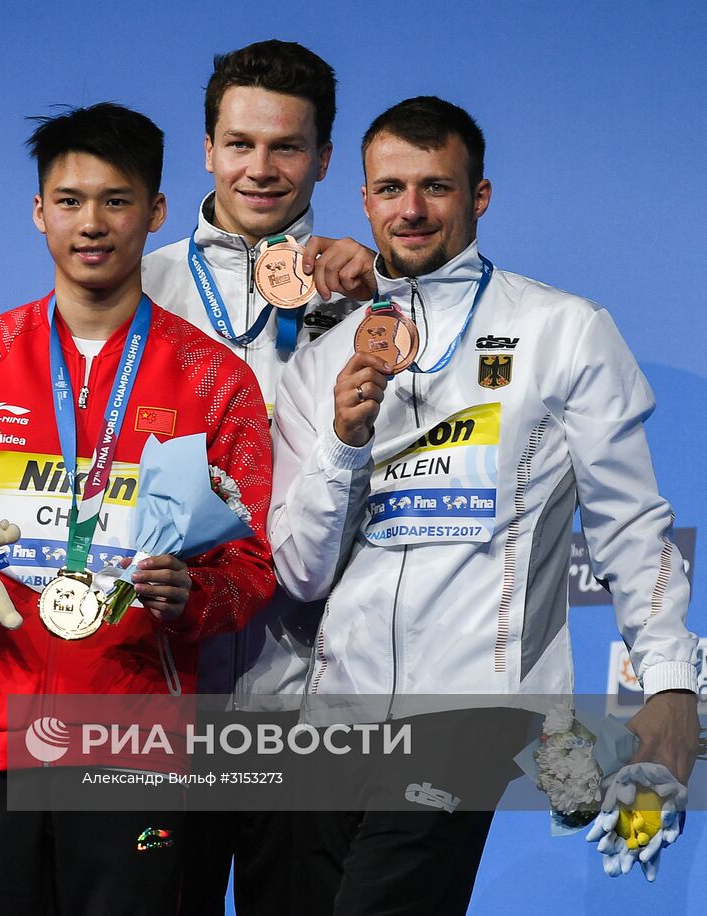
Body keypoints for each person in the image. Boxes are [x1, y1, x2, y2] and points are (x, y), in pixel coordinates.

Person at [270, 95, 701, 913]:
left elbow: (630, 525)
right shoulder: (323, 357)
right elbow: (300, 570)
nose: (412, 209)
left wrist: (672, 685)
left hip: (473, 703)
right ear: (363, 200)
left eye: (436, 186)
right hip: (333, 712)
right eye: (391, 188)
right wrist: (343, 443)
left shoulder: (563, 329)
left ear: (480, 196)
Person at [0, 102, 275, 916]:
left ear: (156, 211)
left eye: (116, 200)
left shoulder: (216, 382)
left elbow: (251, 567)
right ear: (39, 212)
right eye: (68, 201)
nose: (91, 223)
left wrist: (194, 598)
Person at [140, 40, 370, 914]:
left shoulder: (367, 297)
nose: (261, 169)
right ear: (205, 147)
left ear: (324, 157)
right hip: (166, 693)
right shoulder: (140, 285)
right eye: (240, 144)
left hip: (313, 701)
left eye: (287, 147)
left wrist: (374, 285)